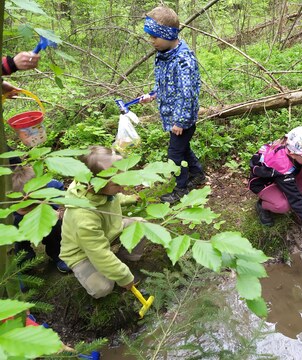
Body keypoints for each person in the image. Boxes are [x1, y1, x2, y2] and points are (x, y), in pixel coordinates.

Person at [140, 6, 206, 204]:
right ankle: (197, 174)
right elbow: (165, 82)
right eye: (149, 37)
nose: (151, 41)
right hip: (172, 116)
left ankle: (181, 188)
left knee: (175, 154)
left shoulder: (183, 59)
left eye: (154, 37)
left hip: (181, 119)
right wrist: (153, 94)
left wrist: (180, 121)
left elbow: (188, 94)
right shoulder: (164, 54)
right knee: (183, 148)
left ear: (168, 35)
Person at [60, 146, 145, 299]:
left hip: (109, 233)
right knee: (103, 288)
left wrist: (129, 199)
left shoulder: (103, 192)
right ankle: (108, 271)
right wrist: (124, 277)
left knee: (142, 225)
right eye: (117, 184)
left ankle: (124, 259)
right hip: (83, 253)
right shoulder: (82, 216)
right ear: (94, 185)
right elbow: (98, 252)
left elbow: (114, 198)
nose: (123, 186)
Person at [248, 126, 302, 243]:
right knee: (283, 205)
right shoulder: (282, 165)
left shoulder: (291, 147)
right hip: (264, 183)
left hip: (284, 176)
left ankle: (300, 191)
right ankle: (262, 205)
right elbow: (295, 200)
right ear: (293, 153)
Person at [11, 166, 71, 273]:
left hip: (45, 216)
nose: (30, 212)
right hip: (19, 225)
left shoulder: (50, 186)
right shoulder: (10, 211)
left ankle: (58, 254)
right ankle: (25, 265)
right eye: (26, 208)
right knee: (20, 245)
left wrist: (58, 209)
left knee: (55, 228)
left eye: (33, 207)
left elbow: (59, 188)